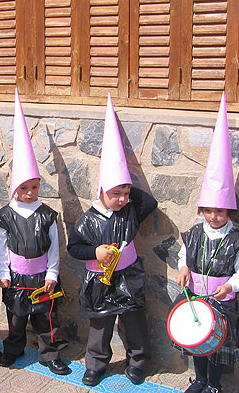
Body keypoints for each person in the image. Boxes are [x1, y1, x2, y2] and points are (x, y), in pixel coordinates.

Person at [67, 95, 157, 387]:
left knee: (134, 322)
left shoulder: (131, 210)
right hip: (99, 280)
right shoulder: (88, 219)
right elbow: (74, 247)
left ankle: (138, 361)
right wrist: (96, 250)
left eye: (126, 193)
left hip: (128, 276)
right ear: (102, 190)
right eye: (116, 193)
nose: (122, 199)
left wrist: (129, 182)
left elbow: (150, 201)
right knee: (100, 325)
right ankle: (96, 364)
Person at [174, 93, 239, 393]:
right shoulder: (194, 233)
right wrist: (182, 268)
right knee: (198, 344)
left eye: (220, 211)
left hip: (222, 302)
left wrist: (230, 286)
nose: (214, 216)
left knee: (218, 347)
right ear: (202, 211)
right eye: (209, 210)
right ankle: (200, 379)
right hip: (195, 299)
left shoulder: (236, 241)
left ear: (228, 211)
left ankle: (215, 384)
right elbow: (184, 255)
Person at [0, 91, 71, 376]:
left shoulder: (47, 214)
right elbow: (0, 245)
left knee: (46, 318)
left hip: (41, 277)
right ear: (15, 187)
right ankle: (13, 349)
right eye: (24, 188)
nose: (30, 193)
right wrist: (3, 271)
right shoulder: (5, 215)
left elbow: (53, 247)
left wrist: (52, 274)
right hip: (16, 276)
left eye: (35, 187)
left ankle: (49, 353)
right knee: (15, 318)